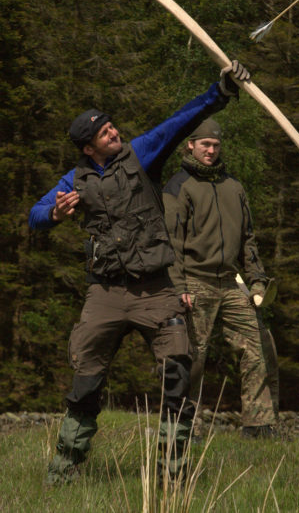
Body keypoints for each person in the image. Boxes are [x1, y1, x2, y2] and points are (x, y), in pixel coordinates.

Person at [29, 61, 249, 485]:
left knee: (178, 377)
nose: (114, 133)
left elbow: (178, 123)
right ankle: (63, 474)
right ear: (88, 148)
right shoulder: (73, 180)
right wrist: (54, 213)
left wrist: (219, 91)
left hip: (158, 292)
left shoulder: (142, 151)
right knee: (85, 384)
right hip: (105, 294)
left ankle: (172, 476)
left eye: (112, 127)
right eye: (104, 133)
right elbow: (35, 214)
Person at [162, 114, 279, 439]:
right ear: (190, 145)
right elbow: (171, 243)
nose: (211, 150)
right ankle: (187, 428)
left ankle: (260, 425)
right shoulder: (177, 187)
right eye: (205, 145)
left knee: (260, 345)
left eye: (215, 145)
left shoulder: (234, 187)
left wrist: (257, 280)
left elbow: (248, 240)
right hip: (194, 283)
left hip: (231, 283)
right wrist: (179, 286)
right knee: (192, 356)